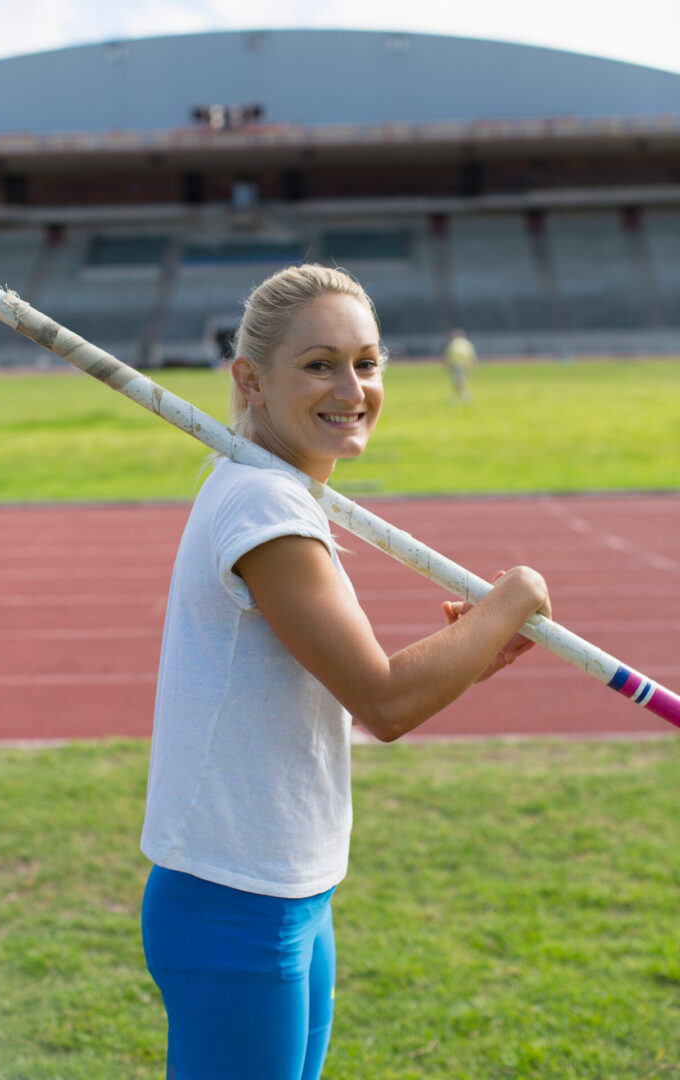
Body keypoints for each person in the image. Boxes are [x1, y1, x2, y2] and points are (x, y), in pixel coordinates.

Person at [140, 264, 550, 1080]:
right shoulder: (264, 506)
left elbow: (372, 685)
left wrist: (466, 656)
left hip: (291, 885)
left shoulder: (280, 492)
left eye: (367, 362)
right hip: (234, 900)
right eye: (320, 364)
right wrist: (516, 598)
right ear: (250, 381)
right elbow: (385, 700)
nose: (352, 386)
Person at [444, 327, 477, 403]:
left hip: (457, 366)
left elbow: (448, 356)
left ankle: (463, 398)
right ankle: (460, 398)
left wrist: (446, 367)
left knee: (459, 382)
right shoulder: (466, 343)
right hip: (464, 366)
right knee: (459, 382)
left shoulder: (454, 343)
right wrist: (474, 367)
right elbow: (472, 356)